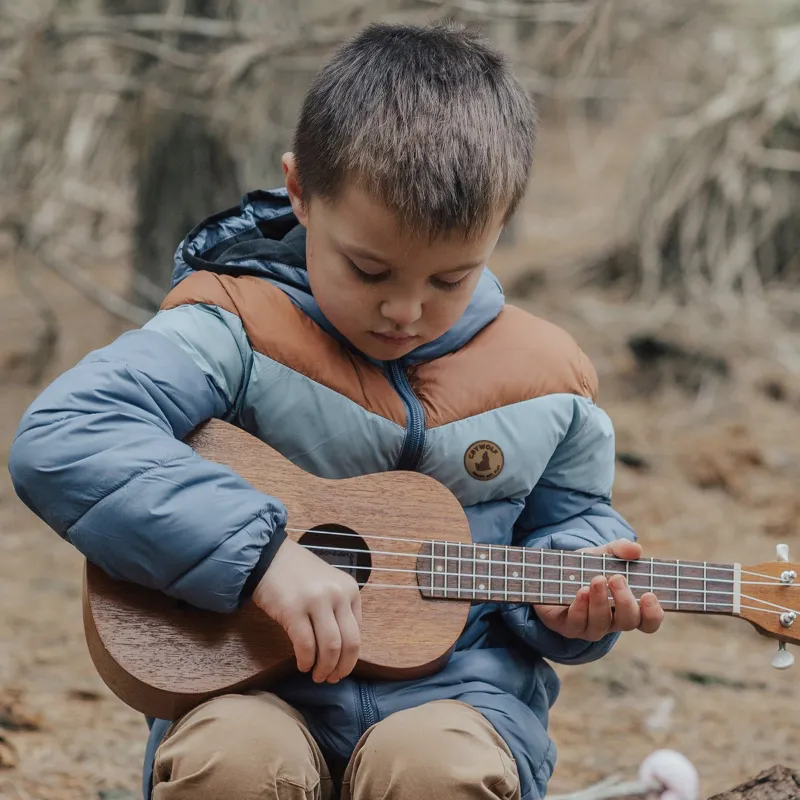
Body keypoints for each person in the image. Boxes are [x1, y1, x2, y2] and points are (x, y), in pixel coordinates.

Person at [8, 20, 664, 800]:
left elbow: (572, 523)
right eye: (369, 268)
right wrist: (262, 555)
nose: (406, 310)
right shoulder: (232, 328)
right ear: (299, 192)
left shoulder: (549, 377)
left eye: (450, 280)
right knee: (233, 760)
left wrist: (575, 604)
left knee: (435, 769)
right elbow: (67, 435)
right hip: (249, 686)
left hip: (458, 698)